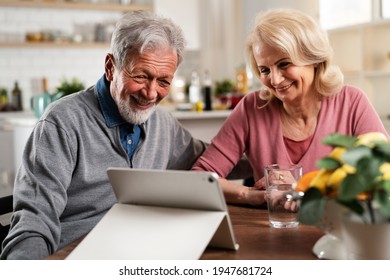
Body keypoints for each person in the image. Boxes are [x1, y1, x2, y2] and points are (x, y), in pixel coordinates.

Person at [0, 11, 249, 260]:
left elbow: (216, 160)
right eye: (141, 76)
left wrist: (273, 158)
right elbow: (33, 222)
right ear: (111, 67)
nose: (151, 93)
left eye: (163, 81)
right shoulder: (62, 123)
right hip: (75, 257)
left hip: (143, 253)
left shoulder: (163, 124)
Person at [192, 8, 389, 207]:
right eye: (265, 70)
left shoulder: (351, 102)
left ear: (313, 59)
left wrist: (303, 188)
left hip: (337, 232)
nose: (275, 80)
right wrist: (248, 194)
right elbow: (201, 178)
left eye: (284, 64)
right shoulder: (252, 108)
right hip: (272, 231)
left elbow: (383, 176)